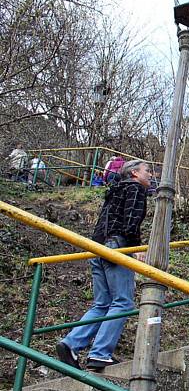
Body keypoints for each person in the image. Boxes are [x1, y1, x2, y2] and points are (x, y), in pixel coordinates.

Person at [56, 159, 152, 372]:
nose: (151, 175)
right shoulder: (135, 189)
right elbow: (131, 221)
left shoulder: (115, 190)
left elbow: (106, 222)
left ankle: (71, 344)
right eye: (148, 170)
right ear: (135, 173)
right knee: (123, 302)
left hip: (97, 247)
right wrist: (134, 248)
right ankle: (100, 354)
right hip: (117, 247)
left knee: (102, 304)